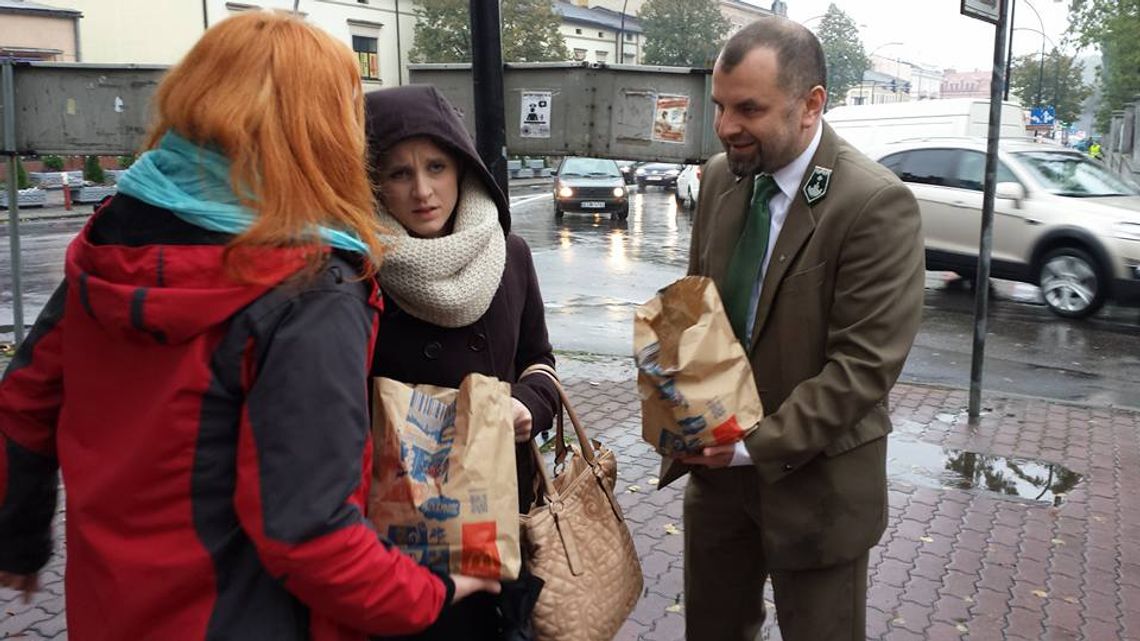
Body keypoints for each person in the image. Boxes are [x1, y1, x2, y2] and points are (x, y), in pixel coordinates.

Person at [0, 12, 497, 641]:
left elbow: (23, 403)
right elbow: (309, 533)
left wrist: (18, 537)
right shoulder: (310, 286)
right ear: (319, 130)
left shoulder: (109, 244)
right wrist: (431, 593)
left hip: (112, 607)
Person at [667, 17, 925, 641]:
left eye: (749, 109)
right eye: (721, 106)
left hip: (818, 487)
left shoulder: (873, 203)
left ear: (811, 105)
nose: (726, 126)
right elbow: (700, 310)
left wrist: (751, 445)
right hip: (719, 483)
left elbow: (862, 369)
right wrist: (673, 393)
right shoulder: (720, 178)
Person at [363, 85, 561, 641]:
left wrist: (528, 406)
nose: (423, 191)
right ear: (373, 183)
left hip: (499, 512)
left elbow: (539, 359)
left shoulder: (509, 254)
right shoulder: (356, 269)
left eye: (436, 167)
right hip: (402, 532)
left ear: (463, 169)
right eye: (399, 173)